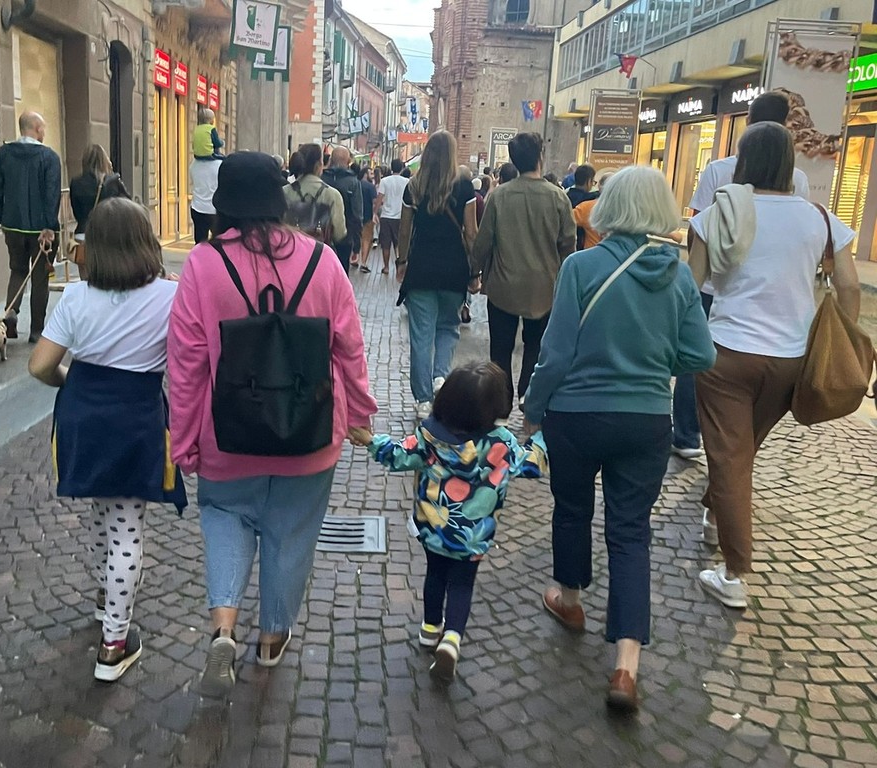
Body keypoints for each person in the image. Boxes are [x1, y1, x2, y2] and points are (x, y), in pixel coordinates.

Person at [167, 152, 377, 697]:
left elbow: (186, 365)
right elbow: (349, 346)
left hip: (227, 432)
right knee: (291, 535)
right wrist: (358, 412)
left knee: (224, 518)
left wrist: (183, 440)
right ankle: (270, 638)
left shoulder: (202, 265)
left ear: (224, 206)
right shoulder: (323, 261)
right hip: (310, 432)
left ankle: (223, 626)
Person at [522, 166, 716, 712]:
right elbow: (701, 355)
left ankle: (570, 599)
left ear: (609, 207)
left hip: (576, 415)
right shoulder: (679, 277)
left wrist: (532, 410)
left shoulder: (581, 267)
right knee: (631, 532)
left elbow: (555, 353)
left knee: (572, 509)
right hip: (645, 418)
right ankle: (626, 666)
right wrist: (655, 364)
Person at [689, 123, 859, 609]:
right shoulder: (819, 218)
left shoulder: (718, 215)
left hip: (726, 352)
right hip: (791, 358)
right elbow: (849, 286)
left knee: (730, 453)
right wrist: (844, 335)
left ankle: (734, 572)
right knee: (741, 449)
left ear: (743, 161)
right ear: (789, 163)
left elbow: (690, 287)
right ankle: (715, 513)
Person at [28, 197, 187, 682]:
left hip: (84, 414)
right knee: (126, 525)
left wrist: (70, 382)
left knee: (102, 509)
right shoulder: (170, 296)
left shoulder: (76, 298)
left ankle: (105, 599)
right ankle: (114, 643)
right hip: (136, 416)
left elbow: (39, 365)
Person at [353, 362, 547, 681]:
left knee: (435, 575)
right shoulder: (501, 443)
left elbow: (400, 454)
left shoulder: (430, 435)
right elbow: (532, 464)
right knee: (461, 584)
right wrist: (541, 439)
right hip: (473, 535)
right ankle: (452, 638)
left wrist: (371, 441)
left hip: (434, 527)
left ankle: (430, 629)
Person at [671, 91, 814, 462]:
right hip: (774, 297)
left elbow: (696, 227)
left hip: (713, 283)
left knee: (694, 356)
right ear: (786, 126)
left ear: (747, 122)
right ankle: (733, 448)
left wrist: (706, 260)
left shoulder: (719, 169)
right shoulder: (798, 180)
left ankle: (686, 433)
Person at [471, 132, 576, 406]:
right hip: (544, 287)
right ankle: (527, 393)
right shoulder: (558, 198)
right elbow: (568, 244)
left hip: (503, 285)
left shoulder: (499, 196)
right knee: (536, 346)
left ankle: (501, 401)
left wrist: (473, 272)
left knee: (500, 349)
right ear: (540, 156)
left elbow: (483, 241)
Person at [397, 131, 478, 419]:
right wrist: (475, 271)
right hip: (454, 268)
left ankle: (423, 400)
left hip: (421, 268)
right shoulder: (464, 187)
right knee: (448, 327)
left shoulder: (414, 186)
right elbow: (471, 233)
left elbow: (404, 230)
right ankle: (440, 376)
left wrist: (401, 261)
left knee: (421, 335)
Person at [0, 111, 61, 342]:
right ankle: (36, 330)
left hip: (13, 225)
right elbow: (52, 194)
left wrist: (0, 217)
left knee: (18, 270)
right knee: (40, 279)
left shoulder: (3, 154)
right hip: (41, 230)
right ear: (38, 129)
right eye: (43, 128)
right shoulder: (49, 158)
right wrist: (49, 226)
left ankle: (11, 312)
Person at [69, 144, 129, 279]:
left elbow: (76, 211)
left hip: (83, 234)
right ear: (104, 160)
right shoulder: (113, 182)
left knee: (85, 280)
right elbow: (127, 209)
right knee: (107, 278)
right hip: (108, 235)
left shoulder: (76, 183)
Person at [283, 143, 347, 247]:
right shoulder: (332, 195)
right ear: (318, 165)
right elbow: (339, 234)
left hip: (291, 249)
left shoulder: (284, 192)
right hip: (321, 252)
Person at [322, 146, 364, 273]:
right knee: (341, 272)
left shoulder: (321, 178)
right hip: (345, 235)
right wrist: (357, 244)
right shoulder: (353, 182)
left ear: (331, 160)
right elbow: (357, 214)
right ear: (348, 162)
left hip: (321, 234)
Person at [376, 158, 411, 275]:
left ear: (391, 167)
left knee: (386, 244)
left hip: (386, 216)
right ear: (401, 168)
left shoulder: (384, 181)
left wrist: (375, 212)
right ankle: (399, 265)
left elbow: (380, 198)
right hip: (401, 216)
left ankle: (386, 267)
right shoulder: (407, 182)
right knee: (399, 243)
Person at [571, 171, 614, 251]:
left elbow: (565, 220)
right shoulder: (625, 210)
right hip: (618, 254)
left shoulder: (586, 208)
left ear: (599, 186)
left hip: (591, 252)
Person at [356, 165, 378, 272]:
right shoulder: (370, 187)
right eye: (370, 173)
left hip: (355, 216)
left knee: (356, 238)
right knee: (366, 239)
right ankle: (363, 263)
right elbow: (374, 202)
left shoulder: (356, 184)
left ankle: (354, 258)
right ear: (365, 174)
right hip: (368, 215)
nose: (372, 176)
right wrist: (375, 214)